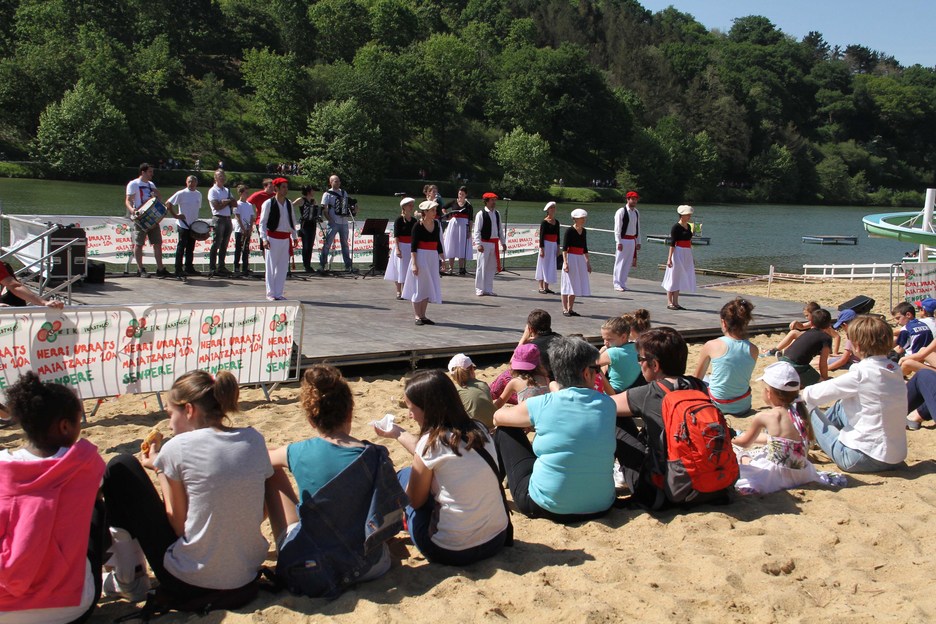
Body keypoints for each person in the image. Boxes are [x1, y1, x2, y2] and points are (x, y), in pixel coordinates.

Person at [100, 371, 273, 607]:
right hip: (245, 574)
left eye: (171, 415)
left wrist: (161, 469)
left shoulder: (177, 447)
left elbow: (179, 525)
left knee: (121, 467)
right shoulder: (253, 439)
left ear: (189, 410)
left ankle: (128, 578)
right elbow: (261, 511)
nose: (169, 424)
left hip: (192, 580)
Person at [264, 365, 406, 596]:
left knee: (270, 471)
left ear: (311, 419)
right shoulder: (375, 455)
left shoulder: (297, 451)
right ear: (350, 412)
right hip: (372, 566)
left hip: (314, 566)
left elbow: (261, 461)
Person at [0, 372, 106, 624]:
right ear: (65, 426)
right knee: (95, 507)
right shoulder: (86, 464)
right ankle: (129, 577)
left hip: (5, 611)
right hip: (71, 610)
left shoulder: (3, 468)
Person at [375, 369, 510, 565]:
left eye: (412, 409)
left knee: (405, 475)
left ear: (428, 409)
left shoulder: (431, 445)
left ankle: (393, 525)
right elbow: (432, 454)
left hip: (450, 550)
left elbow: (415, 501)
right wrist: (398, 433)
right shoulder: (479, 429)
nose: (410, 415)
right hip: (496, 540)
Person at [494, 336, 616, 522]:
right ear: (586, 373)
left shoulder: (542, 404)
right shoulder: (608, 404)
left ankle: (491, 487)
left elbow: (497, 417)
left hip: (549, 506)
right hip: (601, 505)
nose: (597, 373)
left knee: (505, 430)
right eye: (596, 369)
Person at [803, 315, 907, 473]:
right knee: (840, 406)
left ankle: (797, 440)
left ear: (856, 345)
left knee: (805, 405)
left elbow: (811, 395)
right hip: (896, 457)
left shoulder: (861, 374)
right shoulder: (894, 369)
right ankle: (816, 438)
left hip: (859, 458)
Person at [733, 362, 843, 495]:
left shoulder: (765, 416)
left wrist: (731, 438)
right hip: (802, 473)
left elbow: (744, 443)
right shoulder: (800, 412)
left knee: (742, 456)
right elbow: (780, 440)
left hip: (775, 476)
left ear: (769, 393)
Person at [694, 298, 759, 415]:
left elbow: (697, 379)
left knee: (705, 379)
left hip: (717, 405)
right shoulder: (754, 349)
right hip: (743, 405)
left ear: (723, 323)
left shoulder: (711, 345)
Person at [125, 162, 170, 278]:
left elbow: (159, 197)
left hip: (153, 217)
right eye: (150, 172)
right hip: (140, 217)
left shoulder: (151, 184)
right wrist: (132, 210)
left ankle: (160, 268)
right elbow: (128, 200)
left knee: (157, 243)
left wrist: (155, 198)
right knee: (139, 243)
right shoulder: (133, 184)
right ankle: (140, 269)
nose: (152, 174)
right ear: (143, 172)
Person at [402, 201, 443, 325]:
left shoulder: (436, 224)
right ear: (425, 212)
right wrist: (414, 264)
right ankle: (417, 316)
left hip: (432, 257)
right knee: (419, 285)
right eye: (432, 210)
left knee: (428, 286)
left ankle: (423, 315)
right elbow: (413, 247)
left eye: (435, 210)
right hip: (421, 257)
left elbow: (438, 243)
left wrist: (442, 259)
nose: (435, 212)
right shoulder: (417, 226)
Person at [259, 177, 298, 301]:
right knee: (271, 267)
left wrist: (294, 236)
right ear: (276, 188)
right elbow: (262, 223)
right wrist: (264, 239)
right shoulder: (269, 203)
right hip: (273, 238)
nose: (286, 190)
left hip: (285, 238)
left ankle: (278, 293)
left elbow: (292, 220)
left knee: (282, 267)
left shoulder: (288, 203)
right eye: (283, 187)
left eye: (286, 187)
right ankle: (270, 293)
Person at [779, 308, 833, 387]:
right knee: (821, 384)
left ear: (811, 323)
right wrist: (825, 378)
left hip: (783, 360)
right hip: (797, 366)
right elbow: (823, 363)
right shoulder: (826, 338)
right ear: (829, 324)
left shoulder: (807, 333)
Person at [764, 301, 839, 356]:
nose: (806, 318)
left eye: (807, 315)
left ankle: (775, 351)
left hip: (821, 349)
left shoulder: (823, 325)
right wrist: (796, 323)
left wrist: (835, 352)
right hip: (814, 345)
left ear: (813, 314)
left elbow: (837, 336)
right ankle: (779, 350)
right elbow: (802, 326)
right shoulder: (813, 322)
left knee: (794, 334)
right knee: (796, 336)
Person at [319, 175, 357, 274]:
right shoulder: (327, 194)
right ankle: (322, 265)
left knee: (345, 244)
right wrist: (330, 220)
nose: (338, 183)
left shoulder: (344, 193)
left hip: (344, 222)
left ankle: (348, 265)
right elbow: (324, 209)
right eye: (336, 181)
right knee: (327, 244)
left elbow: (348, 205)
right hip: (333, 222)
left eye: (339, 181)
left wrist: (353, 208)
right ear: (331, 182)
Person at [448, 353, 497, 429]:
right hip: (492, 425)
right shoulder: (483, 384)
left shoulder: (456, 390)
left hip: (474, 428)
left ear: (453, 376)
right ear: (471, 369)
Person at [165, 175, 201, 277]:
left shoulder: (198, 194)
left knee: (191, 247)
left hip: (193, 225)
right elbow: (168, 203)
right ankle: (178, 269)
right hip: (183, 224)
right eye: (189, 182)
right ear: (186, 182)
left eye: (193, 182)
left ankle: (189, 267)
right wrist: (175, 215)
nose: (191, 184)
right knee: (181, 247)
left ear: (196, 183)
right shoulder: (181, 193)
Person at [492, 343, 550, 408]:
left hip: (525, 413)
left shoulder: (515, 382)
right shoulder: (545, 379)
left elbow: (498, 405)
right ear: (539, 363)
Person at [661, 204, 695, 310]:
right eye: (687, 214)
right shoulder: (676, 227)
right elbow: (672, 243)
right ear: (682, 215)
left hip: (687, 252)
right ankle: (669, 302)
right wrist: (669, 258)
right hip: (678, 251)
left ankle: (676, 302)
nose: (689, 216)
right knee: (673, 276)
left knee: (679, 277)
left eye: (689, 215)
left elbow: (689, 241)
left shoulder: (689, 226)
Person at [472, 192, 506, 296]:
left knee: (491, 268)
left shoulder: (497, 213)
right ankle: (479, 289)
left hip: (494, 243)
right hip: (484, 243)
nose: (494, 202)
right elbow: (477, 230)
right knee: (481, 267)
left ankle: (488, 289)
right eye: (492, 200)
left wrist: (503, 242)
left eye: (495, 200)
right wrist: (478, 244)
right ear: (486, 201)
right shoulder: (481, 214)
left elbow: (500, 229)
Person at [596, 316, 641, 393]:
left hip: (614, 392)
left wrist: (600, 351)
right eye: (604, 339)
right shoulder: (637, 347)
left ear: (623, 337)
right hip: (634, 390)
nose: (605, 343)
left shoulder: (614, 352)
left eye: (609, 339)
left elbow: (589, 364)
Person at [560, 208, 591, 317]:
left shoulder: (584, 231)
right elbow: (564, 248)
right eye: (581, 218)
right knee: (567, 283)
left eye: (584, 218)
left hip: (579, 258)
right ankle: (564, 308)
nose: (583, 220)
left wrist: (587, 262)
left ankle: (570, 308)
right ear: (575, 219)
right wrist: (565, 262)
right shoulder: (569, 231)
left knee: (576, 283)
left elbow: (585, 248)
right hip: (571, 257)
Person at [385, 197, 416, 300]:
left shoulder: (414, 221)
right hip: (401, 246)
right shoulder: (399, 220)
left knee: (408, 269)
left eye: (412, 205)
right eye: (409, 205)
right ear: (404, 207)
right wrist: (398, 249)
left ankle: (407, 290)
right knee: (399, 269)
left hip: (410, 247)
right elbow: (396, 236)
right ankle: (399, 291)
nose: (411, 207)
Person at [207, 169, 237, 275]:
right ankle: (212, 267)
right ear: (215, 178)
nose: (222, 178)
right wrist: (227, 202)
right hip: (218, 218)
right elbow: (217, 206)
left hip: (228, 218)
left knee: (224, 244)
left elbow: (235, 204)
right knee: (216, 243)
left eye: (223, 176)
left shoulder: (226, 190)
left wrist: (225, 202)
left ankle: (221, 266)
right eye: (220, 176)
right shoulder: (213, 191)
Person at [612, 191, 640, 292]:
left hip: (632, 240)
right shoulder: (621, 211)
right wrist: (618, 242)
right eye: (633, 199)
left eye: (636, 199)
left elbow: (637, 227)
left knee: (627, 262)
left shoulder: (636, 212)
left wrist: (638, 241)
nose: (634, 201)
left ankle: (623, 283)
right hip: (623, 239)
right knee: (620, 262)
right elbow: (617, 228)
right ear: (628, 199)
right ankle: (617, 283)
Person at [441, 186, 472, 274]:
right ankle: (451, 268)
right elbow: (443, 208)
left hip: (463, 226)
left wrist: (469, 231)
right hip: (454, 225)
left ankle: (461, 268)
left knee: (462, 246)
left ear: (466, 195)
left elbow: (470, 220)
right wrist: (447, 215)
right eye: (459, 193)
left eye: (462, 194)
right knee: (452, 244)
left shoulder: (468, 205)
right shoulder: (454, 202)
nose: (460, 195)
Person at [535, 201, 561, 294]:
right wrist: (542, 249)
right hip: (546, 245)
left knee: (550, 265)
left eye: (554, 207)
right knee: (543, 264)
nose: (553, 209)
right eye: (551, 208)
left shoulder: (557, 222)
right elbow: (541, 237)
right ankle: (540, 286)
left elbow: (558, 236)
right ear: (548, 210)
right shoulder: (544, 222)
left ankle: (547, 286)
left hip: (553, 245)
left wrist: (558, 247)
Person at [294, 185, 320, 273]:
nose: (314, 192)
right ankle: (306, 265)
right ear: (308, 191)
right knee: (306, 246)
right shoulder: (301, 200)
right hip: (305, 225)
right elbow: (290, 206)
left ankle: (308, 265)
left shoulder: (313, 201)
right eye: (313, 190)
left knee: (310, 246)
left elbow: (317, 211)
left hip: (313, 224)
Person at [233, 184, 256, 276]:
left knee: (246, 249)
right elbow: (237, 217)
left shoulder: (249, 205)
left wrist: (250, 228)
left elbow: (251, 217)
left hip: (247, 229)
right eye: (245, 193)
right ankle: (236, 267)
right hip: (239, 230)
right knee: (238, 249)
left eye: (247, 193)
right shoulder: (237, 204)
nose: (247, 194)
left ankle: (245, 267)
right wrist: (242, 228)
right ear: (241, 193)